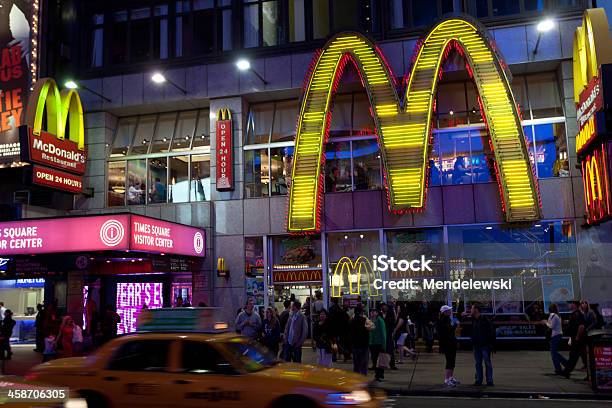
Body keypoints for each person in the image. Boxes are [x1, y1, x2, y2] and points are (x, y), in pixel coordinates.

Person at [470, 304, 495, 386]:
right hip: (477, 344)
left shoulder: (484, 320)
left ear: (476, 310)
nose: (471, 310)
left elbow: (491, 332)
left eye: (472, 308)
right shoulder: (474, 319)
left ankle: (488, 380)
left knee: (486, 363)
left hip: (484, 345)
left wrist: (490, 344)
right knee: (479, 363)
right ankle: (480, 380)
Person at [562, 301, 586, 379]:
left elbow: (581, 326)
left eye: (570, 303)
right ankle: (567, 371)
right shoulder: (575, 314)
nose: (569, 305)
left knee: (574, 355)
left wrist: (577, 337)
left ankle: (567, 371)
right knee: (580, 356)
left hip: (577, 339)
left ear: (574, 305)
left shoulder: (577, 314)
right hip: (576, 338)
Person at [438, 305, 459, 386]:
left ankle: (450, 377)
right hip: (447, 344)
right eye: (449, 310)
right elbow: (448, 331)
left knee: (452, 361)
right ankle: (447, 379)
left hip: (451, 343)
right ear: (445, 312)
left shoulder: (447, 320)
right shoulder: (443, 321)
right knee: (449, 361)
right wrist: (455, 325)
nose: (450, 312)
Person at [545, 303, 567, 375]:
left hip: (556, 335)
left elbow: (551, 326)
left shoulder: (554, 316)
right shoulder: (555, 315)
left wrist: (545, 323)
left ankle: (558, 369)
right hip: (556, 335)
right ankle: (567, 364)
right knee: (554, 352)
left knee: (553, 353)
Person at [349, 304, 370, 375]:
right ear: (362, 312)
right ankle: (363, 378)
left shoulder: (352, 321)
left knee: (356, 364)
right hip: (364, 344)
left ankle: (356, 379)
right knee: (364, 364)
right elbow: (372, 328)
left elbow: (350, 332)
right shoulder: (365, 320)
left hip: (355, 344)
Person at [369, 308, 386, 381]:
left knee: (380, 360)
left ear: (377, 313)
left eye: (374, 312)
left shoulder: (380, 320)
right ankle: (378, 374)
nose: (372, 313)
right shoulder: (370, 320)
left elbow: (383, 332)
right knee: (374, 359)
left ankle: (379, 374)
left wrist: (384, 344)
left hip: (379, 342)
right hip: (372, 343)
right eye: (371, 312)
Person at [381, 303, 397, 370]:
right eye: (383, 307)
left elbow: (393, 323)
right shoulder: (380, 314)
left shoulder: (390, 314)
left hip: (388, 333)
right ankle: (384, 364)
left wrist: (393, 332)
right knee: (383, 350)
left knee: (390, 349)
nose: (384, 308)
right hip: (382, 334)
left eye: (385, 307)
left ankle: (392, 364)